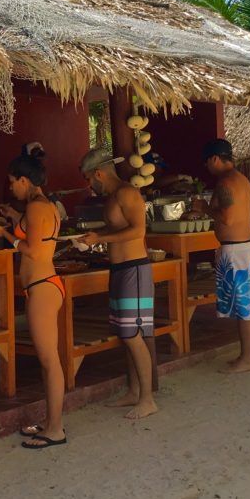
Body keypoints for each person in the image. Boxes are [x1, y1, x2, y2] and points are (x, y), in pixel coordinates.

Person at [0, 149, 67, 449]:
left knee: (50, 361)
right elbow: (37, 230)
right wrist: (13, 217)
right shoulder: (40, 206)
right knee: (48, 360)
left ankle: (56, 429)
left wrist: (5, 235)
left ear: (24, 179)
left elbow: (33, 251)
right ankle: (50, 422)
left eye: (12, 183)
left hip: (42, 286)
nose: (11, 189)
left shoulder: (36, 209)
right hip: (43, 285)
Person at [76, 149, 158, 419]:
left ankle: (147, 399)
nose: (89, 185)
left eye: (89, 180)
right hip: (121, 270)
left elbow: (138, 230)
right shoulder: (113, 197)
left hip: (134, 270)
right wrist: (96, 238)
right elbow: (118, 229)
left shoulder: (126, 193)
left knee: (133, 334)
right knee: (126, 334)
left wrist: (100, 236)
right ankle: (134, 391)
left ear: (98, 174)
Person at [191, 139, 250, 373]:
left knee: (244, 307)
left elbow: (228, 218)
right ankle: (248, 355)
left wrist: (202, 208)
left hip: (237, 249)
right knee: (245, 305)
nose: (207, 168)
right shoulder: (241, 179)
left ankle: (247, 358)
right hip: (241, 247)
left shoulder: (226, 182)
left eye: (207, 163)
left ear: (215, 159)